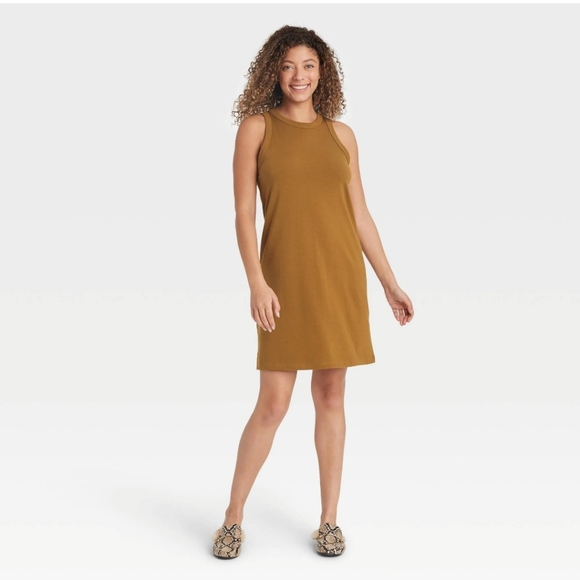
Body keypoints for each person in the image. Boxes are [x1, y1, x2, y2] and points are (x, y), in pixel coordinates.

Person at [212, 25, 414, 559]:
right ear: (273, 72)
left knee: (330, 396)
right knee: (273, 403)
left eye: (308, 65)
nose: (298, 76)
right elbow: (243, 212)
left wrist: (390, 283)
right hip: (282, 283)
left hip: (338, 278)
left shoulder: (342, 135)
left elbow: (360, 214)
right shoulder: (257, 129)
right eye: (287, 66)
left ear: (323, 72)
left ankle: (329, 520)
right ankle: (233, 516)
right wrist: (256, 281)